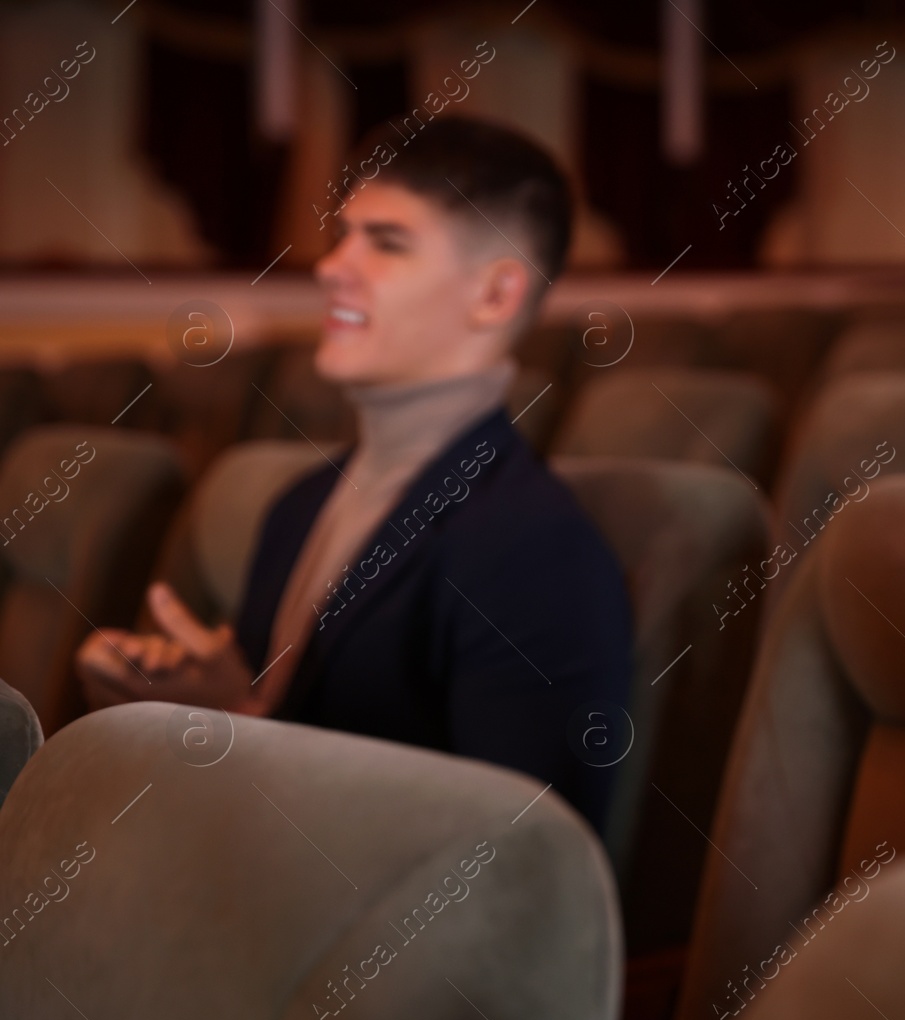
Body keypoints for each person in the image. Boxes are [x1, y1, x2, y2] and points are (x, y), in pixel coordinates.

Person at [75, 117, 633, 831]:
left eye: (387, 243)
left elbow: (524, 877)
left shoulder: (534, 547)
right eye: (344, 235)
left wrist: (240, 724)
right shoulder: (297, 506)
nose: (332, 266)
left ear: (494, 295)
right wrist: (163, 709)